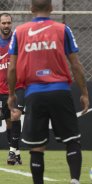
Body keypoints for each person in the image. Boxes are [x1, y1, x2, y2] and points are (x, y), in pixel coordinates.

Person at [7, 0, 89, 184]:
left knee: (37, 146)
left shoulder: (19, 32)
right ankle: (75, 180)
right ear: (52, 8)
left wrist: (12, 93)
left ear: (31, 8)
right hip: (60, 91)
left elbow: (12, 68)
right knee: (72, 140)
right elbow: (76, 65)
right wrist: (84, 92)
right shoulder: (62, 29)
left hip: (34, 94)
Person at [0, 12, 25, 165]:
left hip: (17, 87)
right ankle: (17, 152)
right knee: (8, 121)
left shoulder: (17, 41)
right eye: (3, 23)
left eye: (8, 23)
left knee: (15, 116)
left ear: (12, 23)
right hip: (1, 89)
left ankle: (11, 152)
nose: (6, 26)